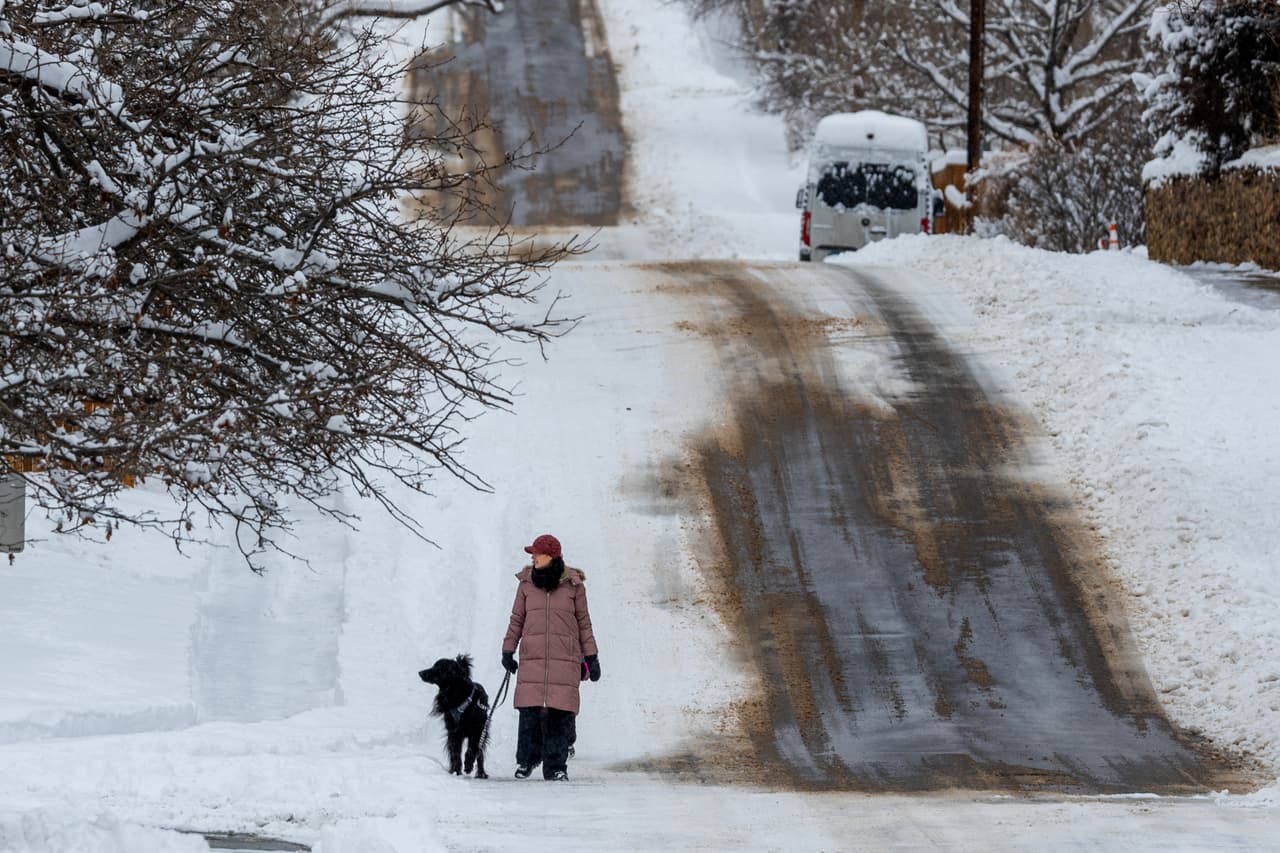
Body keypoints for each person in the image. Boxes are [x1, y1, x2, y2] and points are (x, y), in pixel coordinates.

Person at [501, 533, 600, 781]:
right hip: (532, 657)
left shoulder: (574, 586)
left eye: (537, 553)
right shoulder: (525, 584)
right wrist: (507, 650)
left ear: (551, 556)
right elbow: (517, 620)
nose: (533, 557)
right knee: (529, 711)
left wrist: (592, 656)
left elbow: (584, 623)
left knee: (559, 713)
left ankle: (556, 767)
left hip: (564, 658)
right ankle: (526, 760)